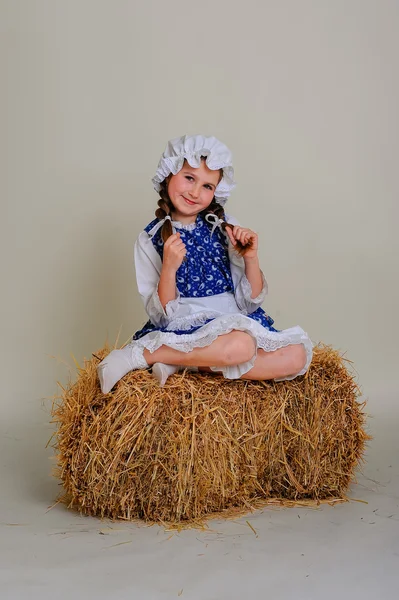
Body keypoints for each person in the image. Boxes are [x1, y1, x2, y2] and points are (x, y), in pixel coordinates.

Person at [98, 134, 313, 394]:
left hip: (233, 321)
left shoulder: (224, 228)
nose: (195, 192)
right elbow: (162, 316)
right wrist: (169, 267)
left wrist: (250, 257)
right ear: (169, 175)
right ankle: (141, 353)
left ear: (217, 192)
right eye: (189, 178)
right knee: (242, 346)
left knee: (297, 356)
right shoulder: (151, 238)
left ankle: (181, 362)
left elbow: (250, 302)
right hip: (189, 324)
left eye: (208, 186)